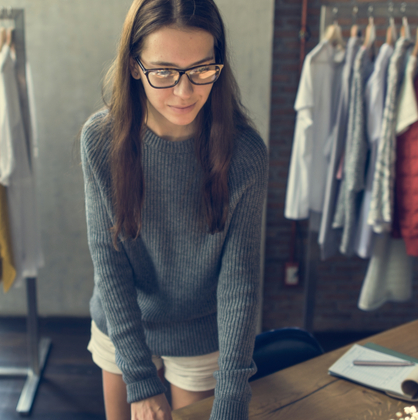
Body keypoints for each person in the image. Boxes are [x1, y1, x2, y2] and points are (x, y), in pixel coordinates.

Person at [80, 0, 268, 419]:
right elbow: (109, 262)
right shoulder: (100, 140)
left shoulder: (245, 154)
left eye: (201, 69)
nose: (185, 92)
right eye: (164, 72)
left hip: (200, 330)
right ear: (134, 66)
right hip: (124, 325)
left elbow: (239, 280)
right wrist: (140, 378)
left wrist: (233, 395)